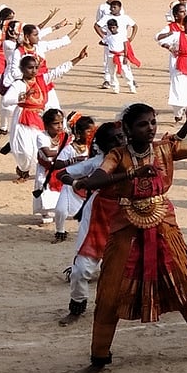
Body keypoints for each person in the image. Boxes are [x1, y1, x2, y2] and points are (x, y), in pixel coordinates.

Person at [77, 101, 187, 373]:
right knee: (110, 292)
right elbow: (96, 180)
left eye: (153, 122)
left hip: (164, 226)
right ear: (128, 130)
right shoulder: (117, 156)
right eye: (143, 124)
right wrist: (133, 173)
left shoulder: (165, 149)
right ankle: (99, 358)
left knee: (185, 283)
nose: (151, 128)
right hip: (126, 229)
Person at [55, 122, 127, 326]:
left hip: (128, 215)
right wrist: (76, 182)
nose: (119, 141)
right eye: (114, 139)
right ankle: (77, 307)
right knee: (81, 270)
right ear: (103, 145)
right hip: (99, 216)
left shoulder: (135, 157)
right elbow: (62, 173)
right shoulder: (97, 162)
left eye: (121, 137)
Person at [6, 50, 87, 182]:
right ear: (22, 69)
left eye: (35, 67)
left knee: (36, 148)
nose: (33, 71)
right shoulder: (18, 84)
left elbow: (58, 71)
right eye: (30, 68)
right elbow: (6, 100)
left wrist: (78, 58)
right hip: (23, 118)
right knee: (24, 150)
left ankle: (28, 171)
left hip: (39, 117)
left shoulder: (41, 79)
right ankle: (23, 169)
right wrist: (24, 96)